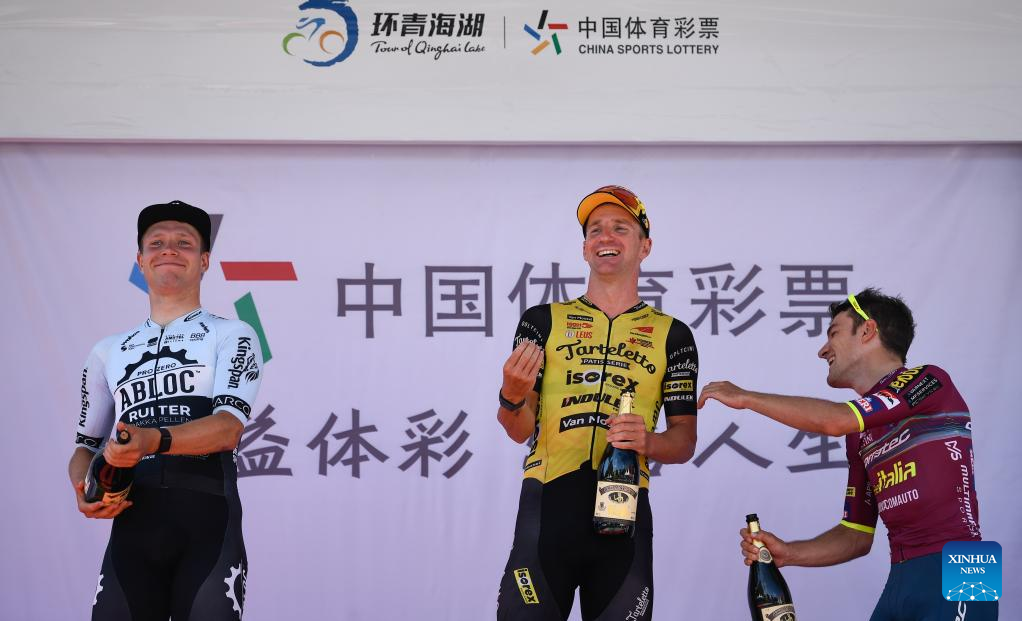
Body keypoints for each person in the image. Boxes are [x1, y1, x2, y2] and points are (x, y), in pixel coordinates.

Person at [698, 288, 996, 621]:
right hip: (901, 577)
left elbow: (834, 420)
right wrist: (789, 553)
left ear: (867, 330)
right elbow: (855, 535)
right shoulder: (859, 432)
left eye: (834, 333)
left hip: (964, 563)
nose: (823, 349)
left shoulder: (929, 379)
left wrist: (746, 398)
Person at [495, 186, 699, 621]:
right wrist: (510, 396)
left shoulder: (673, 334)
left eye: (620, 228)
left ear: (645, 246)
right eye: (595, 230)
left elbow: (683, 443)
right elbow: (518, 429)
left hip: (625, 515)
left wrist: (648, 441)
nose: (605, 236)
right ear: (585, 248)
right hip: (548, 509)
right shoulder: (542, 321)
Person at [68, 201, 263, 620]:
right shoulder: (107, 352)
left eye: (184, 243)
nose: (169, 249)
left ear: (204, 260)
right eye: (156, 243)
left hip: (208, 523)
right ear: (140, 261)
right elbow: (85, 447)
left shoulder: (233, 333)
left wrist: (151, 440)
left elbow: (228, 428)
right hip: (133, 530)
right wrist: (84, 488)